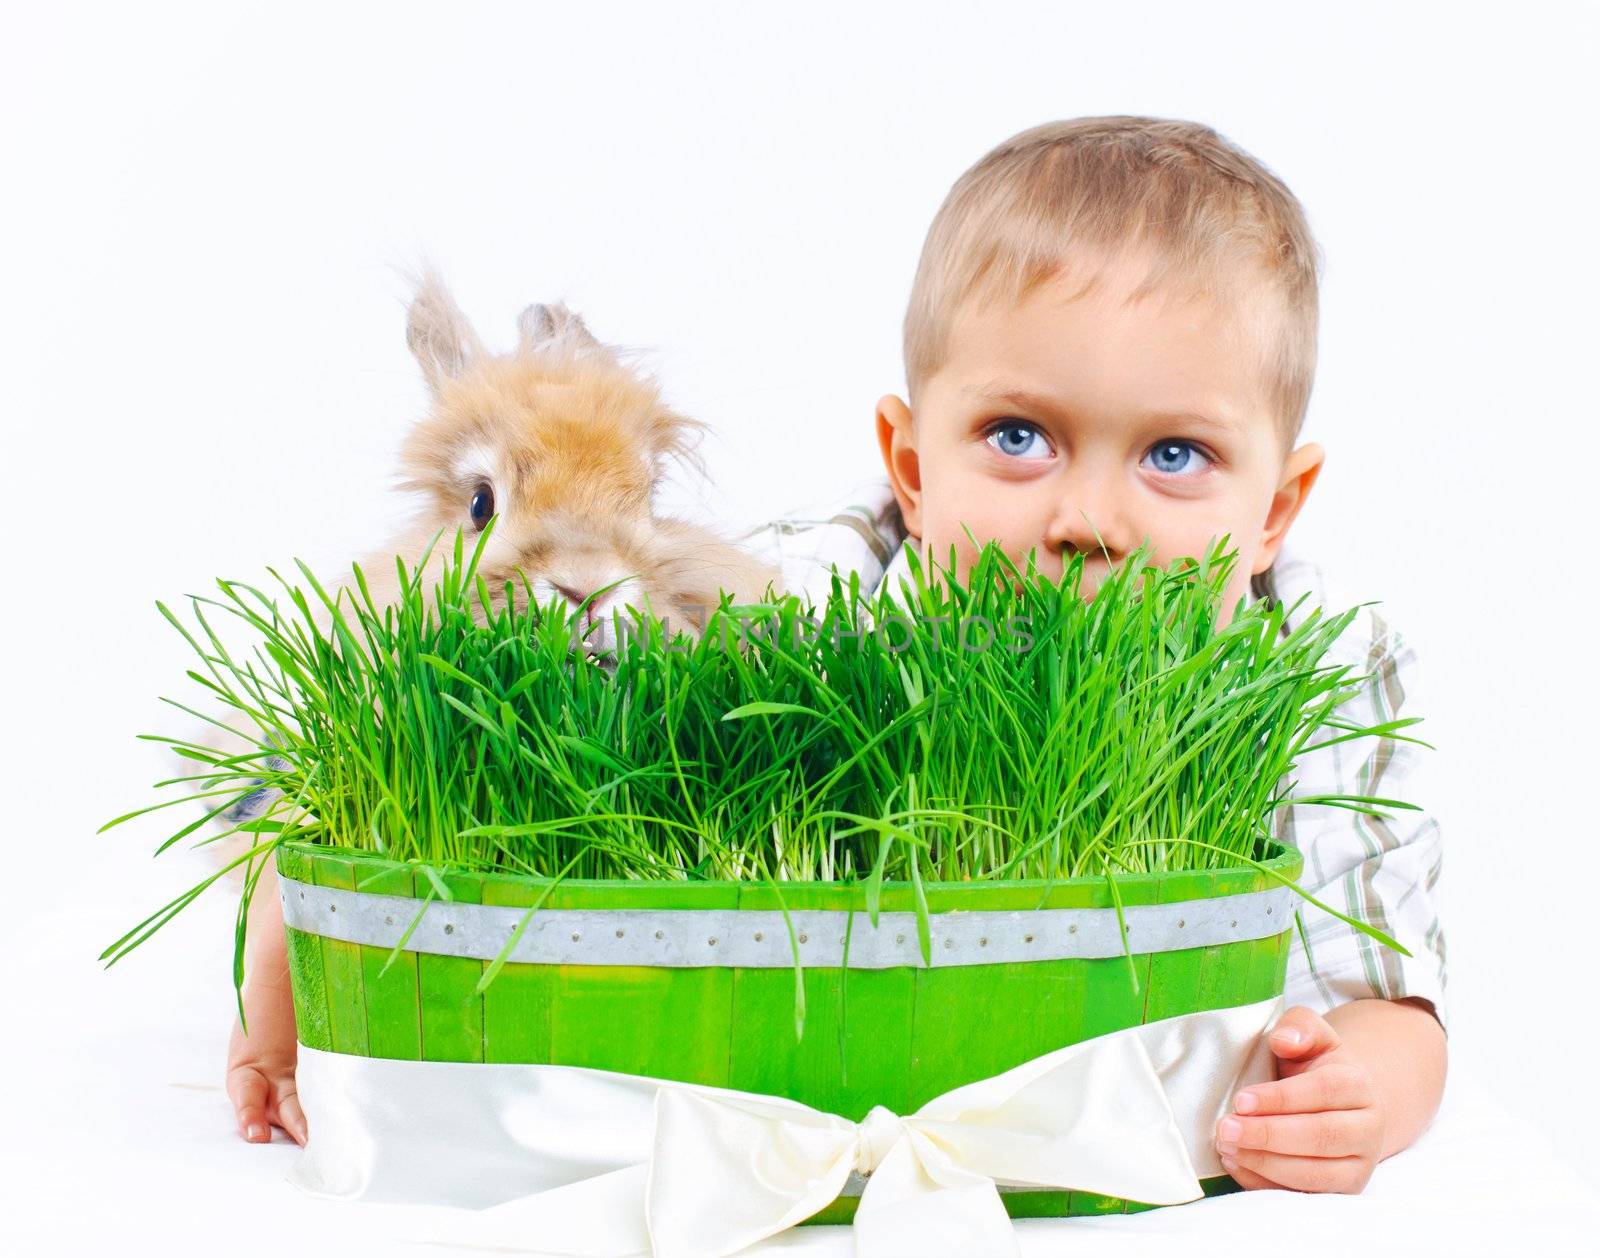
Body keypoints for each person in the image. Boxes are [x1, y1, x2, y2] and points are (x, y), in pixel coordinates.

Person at [230, 116, 1449, 1200]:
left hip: (1162, 1168)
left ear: (1277, 509)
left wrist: (1364, 1094)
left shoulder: (1323, 661)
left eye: (1174, 455)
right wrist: (292, 992)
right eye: (1018, 437)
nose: (1091, 518)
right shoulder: (817, 600)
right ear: (910, 467)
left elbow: (1393, 996)